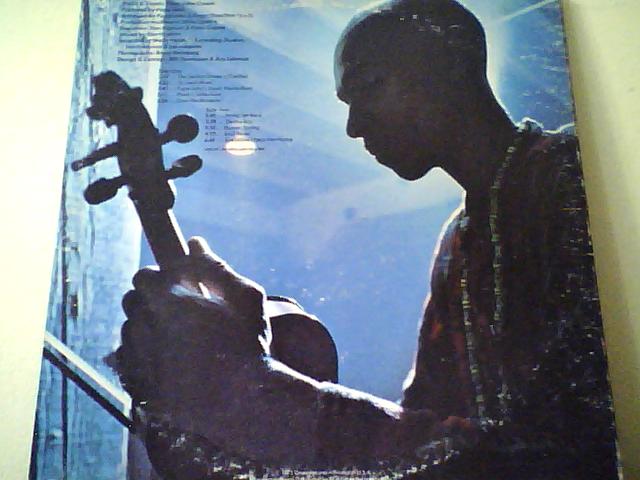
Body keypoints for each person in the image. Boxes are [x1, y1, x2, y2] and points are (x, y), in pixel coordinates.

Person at [116, 0, 619, 478]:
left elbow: (558, 451)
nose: (354, 127)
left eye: (370, 87)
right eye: (347, 103)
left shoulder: (572, 177)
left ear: (452, 65)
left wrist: (261, 389)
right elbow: (426, 430)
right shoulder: (457, 241)